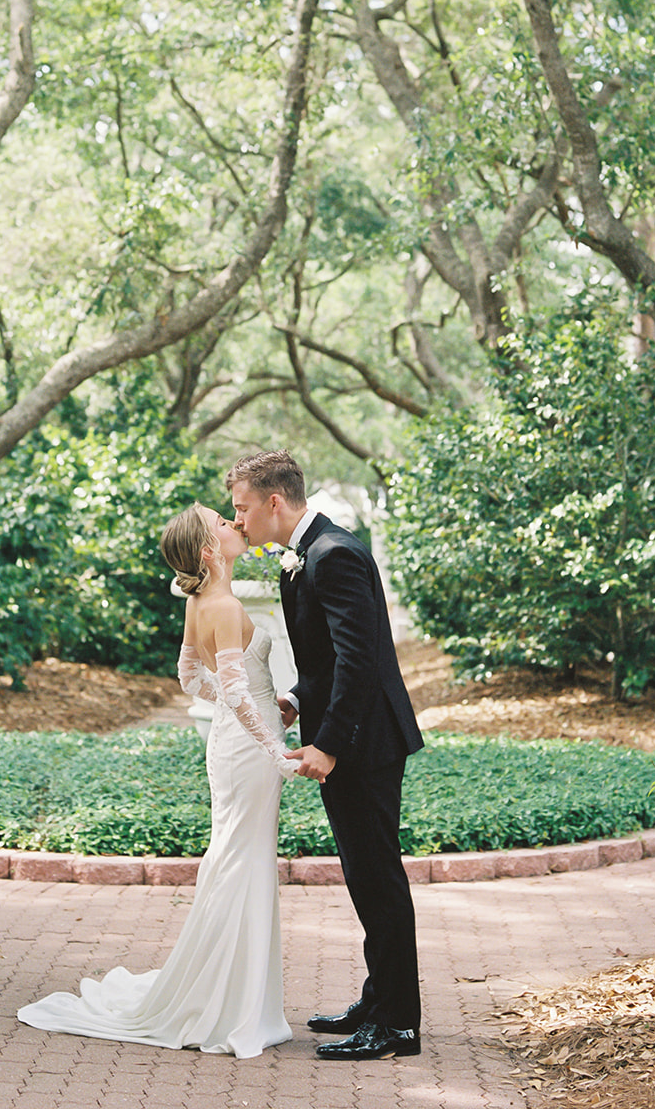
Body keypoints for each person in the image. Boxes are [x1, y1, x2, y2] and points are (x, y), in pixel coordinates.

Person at [16, 503, 296, 1059]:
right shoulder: (222, 603)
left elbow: (191, 677)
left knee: (237, 858)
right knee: (244, 860)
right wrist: (276, 746)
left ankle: (236, 998)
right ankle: (230, 1007)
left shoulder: (200, 601)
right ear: (207, 551)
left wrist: (263, 708)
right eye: (223, 522)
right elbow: (236, 691)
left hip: (233, 742)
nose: (235, 524)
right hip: (250, 749)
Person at [227, 450, 424, 1061]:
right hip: (353, 735)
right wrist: (293, 700)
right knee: (364, 876)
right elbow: (328, 658)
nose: (238, 521)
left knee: (377, 878)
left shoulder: (332, 555)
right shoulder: (306, 556)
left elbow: (362, 660)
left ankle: (396, 1026)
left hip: (365, 743)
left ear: (274, 503)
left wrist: (331, 746)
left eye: (241, 508)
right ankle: (378, 999)